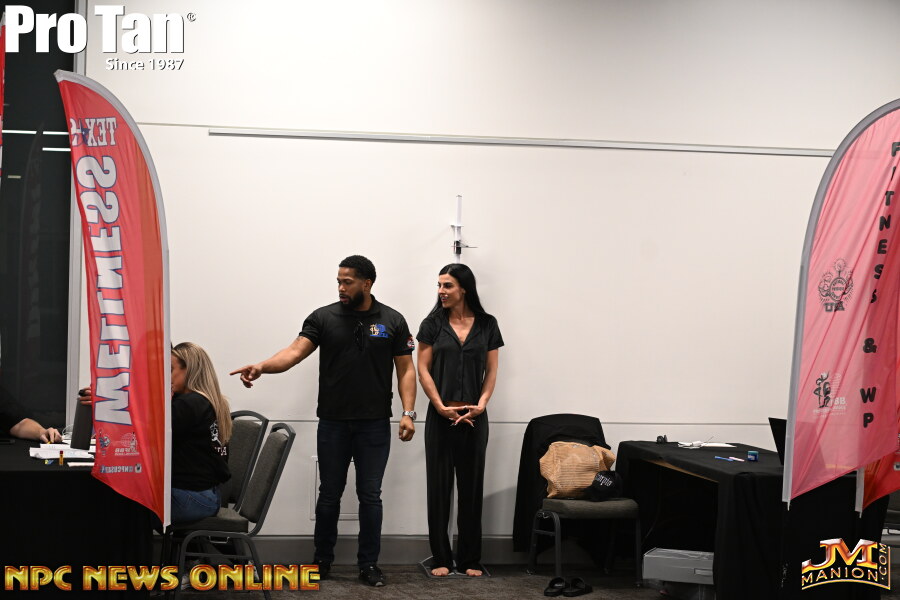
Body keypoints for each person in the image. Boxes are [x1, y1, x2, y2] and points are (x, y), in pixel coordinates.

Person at [230, 255, 416, 588]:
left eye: (347, 282)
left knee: (370, 495)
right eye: (338, 281)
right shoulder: (323, 317)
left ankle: (369, 564)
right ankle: (321, 561)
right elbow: (293, 352)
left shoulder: (392, 320)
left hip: (374, 424)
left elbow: (406, 369)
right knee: (329, 494)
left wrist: (408, 412)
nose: (341, 287)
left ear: (367, 283)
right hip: (333, 423)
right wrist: (262, 367)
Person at [80, 341, 231, 524]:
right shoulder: (203, 401)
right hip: (204, 495)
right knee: (119, 500)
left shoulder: (191, 404)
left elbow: (149, 432)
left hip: (193, 498)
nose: (166, 377)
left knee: (118, 504)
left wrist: (109, 403)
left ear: (189, 370)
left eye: (170, 370)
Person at [416, 263, 503, 577]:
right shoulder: (432, 324)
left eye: (448, 285)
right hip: (441, 417)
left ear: (464, 288)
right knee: (439, 489)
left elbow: (491, 370)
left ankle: (469, 559)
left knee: (471, 489)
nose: (441, 291)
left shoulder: (487, 324)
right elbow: (423, 369)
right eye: (439, 285)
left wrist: (481, 404)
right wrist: (439, 406)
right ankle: (441, 557)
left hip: (475, 418)